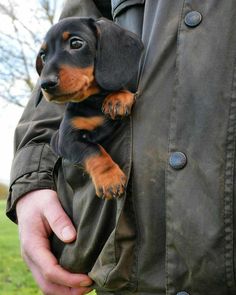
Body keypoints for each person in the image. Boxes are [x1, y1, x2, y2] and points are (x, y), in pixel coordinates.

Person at [6, 0, 236, 294]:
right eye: (43, 59)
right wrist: (33, 180)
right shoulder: (77, 95)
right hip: (133, 257)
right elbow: (62, 131)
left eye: (75, 45)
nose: (46, 77)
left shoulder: (114, 60)